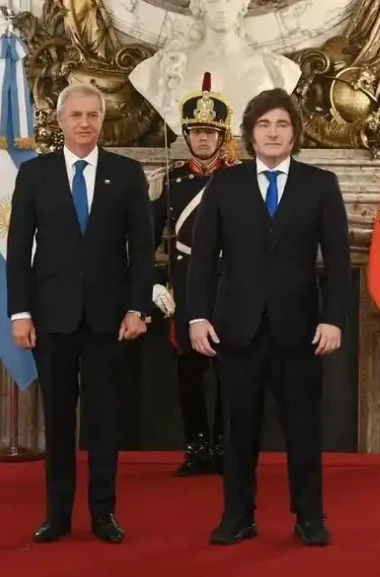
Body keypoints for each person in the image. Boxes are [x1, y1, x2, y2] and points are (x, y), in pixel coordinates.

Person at [186, 88, 351, 546]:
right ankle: (238, 516)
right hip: (236, 329)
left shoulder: (320, 184)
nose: (273, 133)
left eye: (281, 124)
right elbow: (202, 259)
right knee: (239, 429)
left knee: (303, 429)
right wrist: (197, 316)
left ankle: (310, 516)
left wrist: (334, 318)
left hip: (301, 330)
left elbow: (338, 262)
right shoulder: (225, 184)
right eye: (264, 125)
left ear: (294, 133)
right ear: (250, 134)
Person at [6, 83, 153, 544]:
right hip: (51, 318)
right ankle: (58, 514)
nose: (85, 123)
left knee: (104, 419)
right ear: (61, 121)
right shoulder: (35, 174)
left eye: (93, 115)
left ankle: (103, 513)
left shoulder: (126, 173)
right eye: (76, 115)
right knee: (58, 420)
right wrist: (19, 313)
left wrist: (137, 307)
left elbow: (143, 248)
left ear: (102, 121)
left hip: (110, 319)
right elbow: (18, 249)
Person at [150, 73, 237, 477]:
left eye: (210, 132)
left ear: (222, 136)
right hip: (186, 286)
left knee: (229, 373)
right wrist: (154, 283)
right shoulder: (169, 181)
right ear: (186, 134)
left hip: (231, 285)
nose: (202, 138)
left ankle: (225, 448)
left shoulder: (241, 179)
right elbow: (148, 239)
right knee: (190, 373)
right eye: (196, 131)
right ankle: (197, 449)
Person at [128, 0, 301, 135]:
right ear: (200, 5)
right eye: (213, 0)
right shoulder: (167, 66)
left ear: (242, 5)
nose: (222, 7)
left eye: (229, 0)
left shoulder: (277, 69)